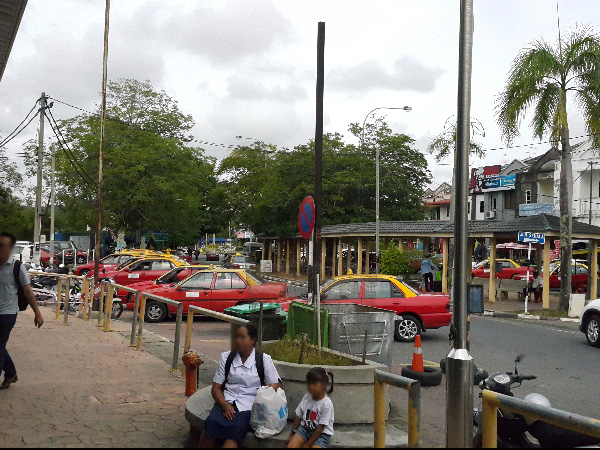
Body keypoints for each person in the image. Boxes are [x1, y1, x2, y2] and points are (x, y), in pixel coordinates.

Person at [201, 324, 282, 448]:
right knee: (209, 427)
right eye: (236, 337)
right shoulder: (226, 357)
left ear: (252, 340)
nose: (238, 340)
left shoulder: (263, 360)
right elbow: (216, 388)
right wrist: (224, 405)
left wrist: (270, 389)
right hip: (226, 401)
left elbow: (276, 383)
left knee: (233, 436)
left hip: (249, 407)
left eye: (242, 337)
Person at [0, 232, 44, 390]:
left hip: (8, 313)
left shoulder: (17, 267)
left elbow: (27, 291)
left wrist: (37, 313)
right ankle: (11, 374)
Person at [287, 367, 335, 449]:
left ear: (323, 385)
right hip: (305, 429)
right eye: (309, 383)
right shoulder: (306, 397)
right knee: (291, 446)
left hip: (321, 434)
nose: (310, 386)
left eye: (314, 384)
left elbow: (321, 428)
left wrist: (308, 444)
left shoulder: (326, 404)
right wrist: (292, 434)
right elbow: (299, 416)